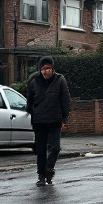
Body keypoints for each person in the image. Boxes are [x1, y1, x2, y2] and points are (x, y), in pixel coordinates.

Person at [26, 57, 71, 186]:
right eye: (44, 69)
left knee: (55, 147)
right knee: (40, 149)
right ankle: (41, 175)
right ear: (40, 69)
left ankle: (49, 169)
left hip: (55, 119)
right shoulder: (33, 80)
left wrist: (65, 117)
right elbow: (29, 99)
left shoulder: (60, 80)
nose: (47, 71)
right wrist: (30, 111)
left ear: (53, 69)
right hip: (39, 120)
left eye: (49, 68)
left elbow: (65, 99)